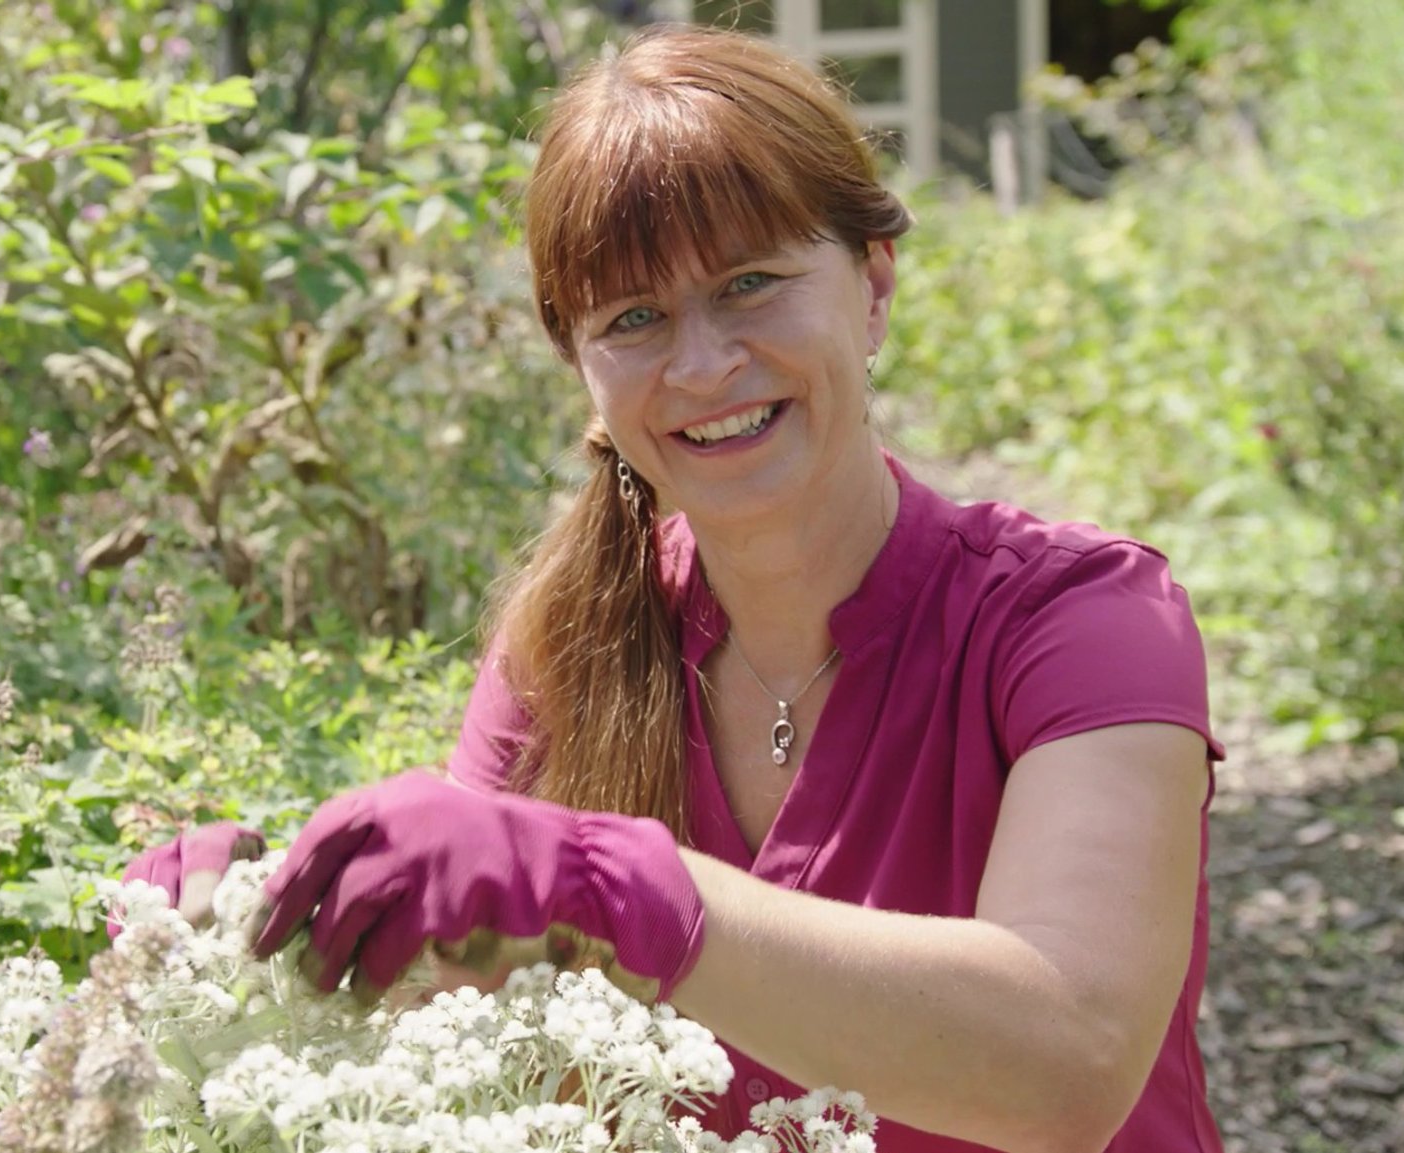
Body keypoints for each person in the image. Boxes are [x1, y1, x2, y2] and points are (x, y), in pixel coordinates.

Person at [124, 24, 1226, 1153]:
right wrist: (266, 919)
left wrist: (617, 892)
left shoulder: (1083, 619)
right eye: (633, 319)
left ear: (874, 285)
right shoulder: (567, 644)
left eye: (749, 285)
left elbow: (1066, 1066)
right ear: (582, 367)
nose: (701, 365)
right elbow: (456, 1003)